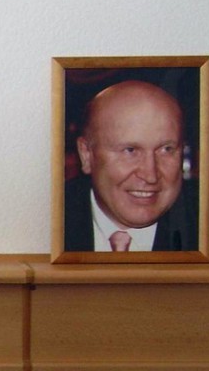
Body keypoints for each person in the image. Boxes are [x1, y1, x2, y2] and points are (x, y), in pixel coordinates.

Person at [65, 79, 198, 252]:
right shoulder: (47, 218)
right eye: (130, 150)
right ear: (86, 155)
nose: (150, 175)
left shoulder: (208, 225)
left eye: (166, 149)